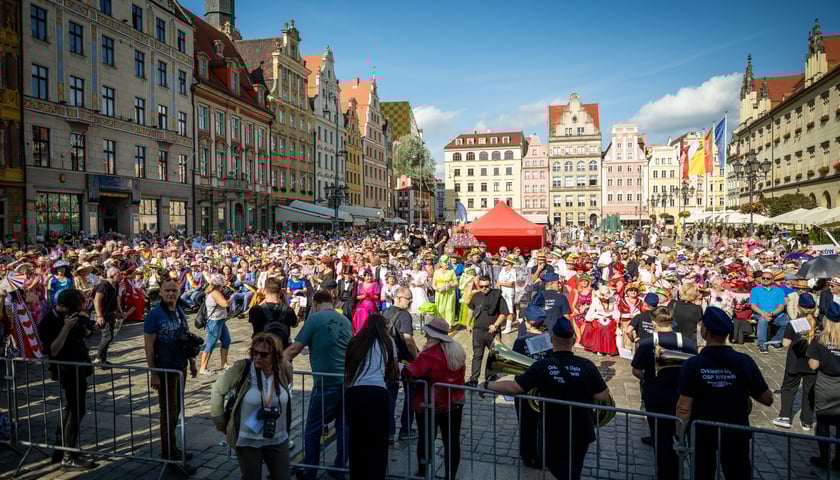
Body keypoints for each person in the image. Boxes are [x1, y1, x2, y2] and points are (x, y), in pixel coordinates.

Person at [484, 315, 611, 480]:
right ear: (573, 341)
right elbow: (603, 394)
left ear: (552, 340)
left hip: (552, 428)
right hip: (581, 428)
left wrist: (488, 386)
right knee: (574, 470)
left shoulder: (542, 366)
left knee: (552, 466)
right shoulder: (587, 365)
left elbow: (514, 387)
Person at [676, 306, 774, 480]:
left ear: (705, 331)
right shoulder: (744, 361)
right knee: (738, 474)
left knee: (702, 474)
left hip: (702, 432)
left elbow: (684, 407)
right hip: (735, 431)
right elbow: (767, 399)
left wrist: (679, 434)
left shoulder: (692, 365)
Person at [284, 290, 351, 480]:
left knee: (313, 427)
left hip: (326, 382)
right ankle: (340, 467)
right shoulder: (345, 320)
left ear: (315, 304)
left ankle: (310, 470)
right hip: (346, 379)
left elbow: (295, 349)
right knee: (344, 426)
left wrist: (279, 361)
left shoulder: (314, 319)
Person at [210, 333, 293, 480]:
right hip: (248, 438)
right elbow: (218, 389)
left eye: (263, 354)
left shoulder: (284, 369)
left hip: (277, 437)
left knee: (283, 476)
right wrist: (220, 419)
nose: (258, 357)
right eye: (255, 352)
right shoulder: (242, 368)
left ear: (275, 355)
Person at [631, 306, 697, 479]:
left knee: (660, 437)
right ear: (671, 321)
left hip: (656, 395)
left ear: (653, 322)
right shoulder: (687, 342)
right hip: (681, 396)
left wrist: (648, 376)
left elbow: (636, 370)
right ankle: (677, 468)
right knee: (679, 435)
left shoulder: (646, 343)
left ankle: (665, 473)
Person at [36, 289, 96, 470]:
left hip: (80, 366)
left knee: (73, 409)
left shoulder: (73, 315)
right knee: (76, 410)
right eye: (69, 309)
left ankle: (61, 449)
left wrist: (86, 324)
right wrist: (66, 327)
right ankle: (69, 455)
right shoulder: (48, 322)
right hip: (66, 369)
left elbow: (86, 335)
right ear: (61, 306)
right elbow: (53, 350)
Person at [143, 277, 199, 462]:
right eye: (167, 290)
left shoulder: (180, 311)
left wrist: (191, 362)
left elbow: (185, 338)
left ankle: (173, 447)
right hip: (165, 369)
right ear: (161, 292)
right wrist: (153, 373)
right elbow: (149, 346)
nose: (170, 293)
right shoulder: (154, 314)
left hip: (179, 366)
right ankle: (168, 451)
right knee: (168, 411)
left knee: (176, 410)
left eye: (174, 290)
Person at [403, 317, 466, 480]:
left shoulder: (430, 354)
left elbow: (411, 372)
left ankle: (423, 472)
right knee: (452, 441)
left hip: (430, 405)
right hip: (454, 403)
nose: (425, 336)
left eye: (427, 334)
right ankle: (450, 476)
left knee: (425, 440)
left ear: (432, 335)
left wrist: (402, 367)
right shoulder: (457, 349)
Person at [344, 313, 398, 479]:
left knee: (357, 438)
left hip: (355, 392)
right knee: (377, 440)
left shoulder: (355, 341)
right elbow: (393, 369)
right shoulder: (388, 342)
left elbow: (348, 367)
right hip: (376, 393)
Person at [511, 305, 552, 467]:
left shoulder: (520, 342)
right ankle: (543, 454)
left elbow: (513, 362)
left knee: (526, 424)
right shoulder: (550, 340)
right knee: (544, 423)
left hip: (524, 388)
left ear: (527, 322)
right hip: (544, 389)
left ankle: (527, 455)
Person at [773, 293, 817, 430]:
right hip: (812, 362)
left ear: (799, 307)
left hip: (795, 360)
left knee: (788, 388)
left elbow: (786, 343)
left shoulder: (794, 323)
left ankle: (785, 417)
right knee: (809, 391)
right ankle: (807, 421)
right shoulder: (819, 323)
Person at [806, 301, 840, 469]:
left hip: (825, 383)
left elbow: (813, 365)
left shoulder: (820, 340)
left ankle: (824, 458)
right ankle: (839, 460)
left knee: (823, 422)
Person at [382, 287, 418, 442]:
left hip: (389, 359)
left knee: (390, 395)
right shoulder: (404, 315)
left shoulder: (385, 312)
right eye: (407, 298)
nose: (410, 301)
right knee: (411, 393)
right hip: (404, 360)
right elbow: (408, 339)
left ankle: (389, 432)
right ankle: (405, 429)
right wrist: (416, 358)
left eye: (410, 298)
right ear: (397, 297)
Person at [466, 275, 509, 386]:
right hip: (478, 331)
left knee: (493, 355)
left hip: (492, 332)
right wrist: (468, 324)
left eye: (487, 286)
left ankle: (489, 379)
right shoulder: (475, 296)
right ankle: (473, 380)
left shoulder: (497, 296)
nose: (484, 288)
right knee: (477, 355)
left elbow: (504, 313)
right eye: (481, 286)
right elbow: (471, 310)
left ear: (490, 285)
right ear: (478, 286)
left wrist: (495, 325)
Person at [248, 277, 297, 349]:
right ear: (280, 292)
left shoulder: (255, 310)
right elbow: (295, 324)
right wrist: (285, 301)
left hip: (261, 351)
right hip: (282, 350)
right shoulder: (289, 310)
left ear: (264, 291)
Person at [200, 273, 232, 375]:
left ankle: (224, 364)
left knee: (226, 340)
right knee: (210, 344)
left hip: (220, 320)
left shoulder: (213, 291)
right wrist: (232, 299)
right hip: (214, 322)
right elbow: (225, 304)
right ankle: (203, 368)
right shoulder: (215, 293)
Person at [93, 266, 125, 364]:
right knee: (107, 336)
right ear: (111, 275)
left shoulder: (116, 285)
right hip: (103, 314)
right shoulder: (104, 285)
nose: (120, 276)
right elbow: (97, 300)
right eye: (118, 274)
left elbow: (117, 298)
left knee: (110, 335)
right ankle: (98, 358)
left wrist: (120, 311)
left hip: (111, 314)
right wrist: (99, 316)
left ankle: (103, 359)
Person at [751, 270, 788, 353]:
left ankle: (775, 340)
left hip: (775, 314)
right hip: (760, 313)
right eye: (763, 278)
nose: (765, 279)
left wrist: (772, 313)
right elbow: (753, 306)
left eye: (768, 278)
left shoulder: (779, 291)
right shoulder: (755, 290)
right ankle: (761, 343)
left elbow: (781, 306)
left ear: (772, 280)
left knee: (787, 322)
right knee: (763, 319)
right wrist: (763, 313)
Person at [352, 269, 380, 334]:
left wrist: (370, 296)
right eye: (367, 276)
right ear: (364, 277)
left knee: (365, 310)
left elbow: (377, 296)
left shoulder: (375, 284)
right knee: (359, 310)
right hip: (362, 303)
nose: (369, 277)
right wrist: (364, 296)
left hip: (371, 303)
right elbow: (357, 297)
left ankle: (366, 331)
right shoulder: (360, 285)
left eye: (370, 276)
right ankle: (359, 330)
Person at [432, 257, 457, 328]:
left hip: (450, 293)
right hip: (440, 293)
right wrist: (437, 289)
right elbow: (433, 285)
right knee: (440, 309)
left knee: (449, 308)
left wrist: (450, 285)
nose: (447, 263)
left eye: (447, 262)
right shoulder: (436, 272)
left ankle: (449, 325)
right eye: (445, 262)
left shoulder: (451, 271)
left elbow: (456, 282)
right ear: (441, 264)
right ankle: (439, 324)